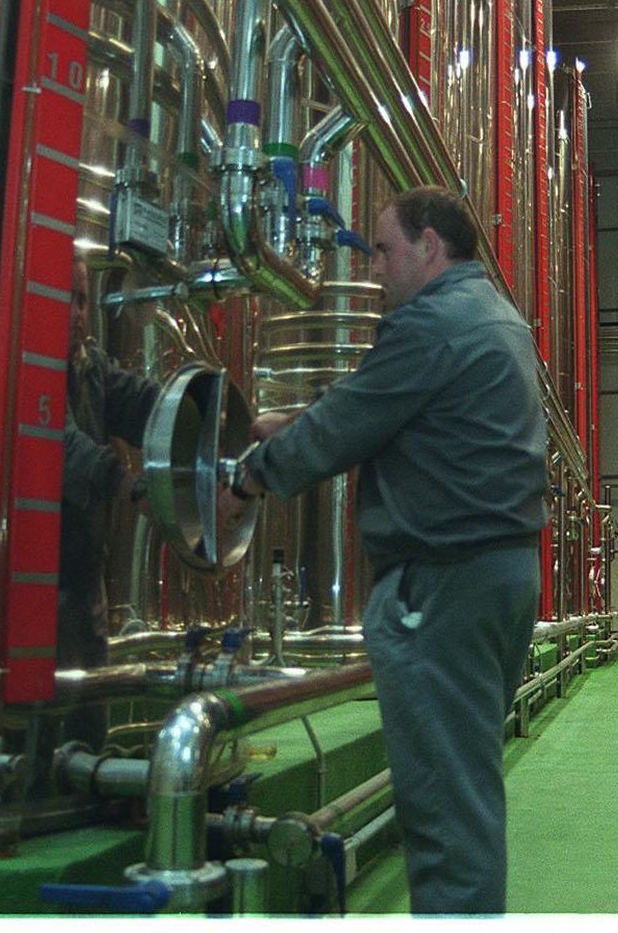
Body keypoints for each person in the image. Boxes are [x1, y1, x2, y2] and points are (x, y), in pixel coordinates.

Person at [222, 186, 547, 914]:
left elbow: (348, 426)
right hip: (502, 573)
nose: (372, 268)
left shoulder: (429, 324)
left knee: (443, 810)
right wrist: (295, 421)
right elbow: (376, 406)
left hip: (444, 585)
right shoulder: (497, 316)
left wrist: (247, 478)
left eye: (383, 249)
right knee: (464, 787)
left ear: (430, 245)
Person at [61, 258, 159, 748]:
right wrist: (131, 484)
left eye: (83, 300)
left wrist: (199, 406)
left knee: (87, 706)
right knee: (51, 710)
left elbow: (140, 401)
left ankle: (80, 785)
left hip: (83, 576)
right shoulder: (30, 367)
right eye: (67, 299)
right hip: (38, 580)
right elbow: (64, 448)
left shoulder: (90, 367)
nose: (79, 313)